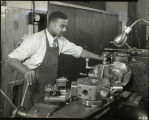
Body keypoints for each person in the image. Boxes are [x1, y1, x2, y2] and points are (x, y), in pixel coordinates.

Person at [7, 11, 104, 110]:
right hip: (33, 92)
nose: (65, 29)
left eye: (66, 26)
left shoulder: (60, 40)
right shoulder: (35, 40)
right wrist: (26, 71)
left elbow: (80, 51)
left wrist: (100, 57)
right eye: (62, 26)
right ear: (52, 23)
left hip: (50, 91)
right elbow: (11, 59)